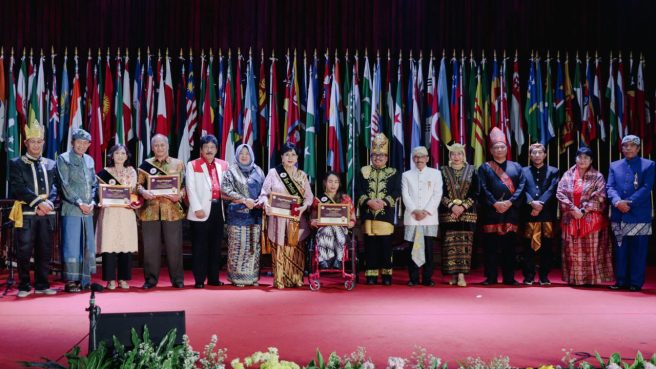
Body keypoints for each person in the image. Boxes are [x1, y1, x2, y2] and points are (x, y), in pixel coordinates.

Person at [9, 122, 58, 298]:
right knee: (24, 250)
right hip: (27, 214)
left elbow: (55, 188)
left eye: (39, 141)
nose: (36, 145)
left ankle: (42, 284)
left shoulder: (51, 163)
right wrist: (38, 203)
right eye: (32, 141)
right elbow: (19, 188)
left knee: (44, 250)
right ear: (26, 144)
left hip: (47, 214)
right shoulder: (16, 163)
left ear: (43, 143)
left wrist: (49, 204)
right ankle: (23, 285)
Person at [556, 147, 613, 286]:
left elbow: (600, 196)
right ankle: (574, 279)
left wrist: (583, 210)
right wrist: (572, 208)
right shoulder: (567, 175)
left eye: (586, 158)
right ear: (575, 158)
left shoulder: (598, 176)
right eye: (580, 157)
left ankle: (591, 280)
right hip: (571, 217)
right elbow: (560, 193)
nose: (582, 160)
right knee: (571, 250)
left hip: (591, 219)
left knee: (591, 250)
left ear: (591, 160)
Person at [259, 143, 314, 289]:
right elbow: (263, 194)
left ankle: (296, 277)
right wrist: (266, 204)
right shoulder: (273, 173)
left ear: (297, 157)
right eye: (287, 154)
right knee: (280, 249)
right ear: (282, 157)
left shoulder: (302, 175)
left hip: (296, 218)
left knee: (296, 249)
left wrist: (304, 206)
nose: (290, 157)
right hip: (278, 218)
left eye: (294, 154)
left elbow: (309, 197)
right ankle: (280, 279)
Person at [478, 127, 526, 286]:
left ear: (507, 149)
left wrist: (510, 202)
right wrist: (495, 203)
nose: (499, 149)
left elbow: (521, 187)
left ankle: (509, 277)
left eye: (502, 147)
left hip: (510, 212)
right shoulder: (485, 167)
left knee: (509, 247)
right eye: (496, 147)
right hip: (491, 212)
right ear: (491, 150)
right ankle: (491, 277)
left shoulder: (517, 167)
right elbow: (483, 188)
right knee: (490, 247)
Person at [137, 134, 186, 289]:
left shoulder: (178, 164)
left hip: (172, 210)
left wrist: (181, 194)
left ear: (167, 146)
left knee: (175, 247)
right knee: (150, 248)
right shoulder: (145, 164)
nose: (159, 148)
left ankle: (177, 280)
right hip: (150, 211)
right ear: (152, 148)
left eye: (162, 145)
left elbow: (186, 185)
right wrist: (143, 192)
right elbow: (138, 185)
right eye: (156, 145)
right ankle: (151, 280)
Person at [607, 135, 655, 292]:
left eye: (631, 145)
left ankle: (635, 282)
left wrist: (629, 203)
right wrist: (617, 202)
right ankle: (620, 280)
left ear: (638, 148)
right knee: (620, 249)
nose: (628, 148)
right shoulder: (614, 165)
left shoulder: (649, 165)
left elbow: (646, 187)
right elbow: (610, 187)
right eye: (625, 146)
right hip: (618, 213)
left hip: (639, 215)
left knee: (638, 250)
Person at [356, 133, 402, 286]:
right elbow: (359, 191)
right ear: (371, 156)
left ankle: (387, 274)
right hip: (368, 213)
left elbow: (396, 191)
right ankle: (371, 274)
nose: (378, 158)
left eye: (381, 155)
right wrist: (368, 201)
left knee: (386, 245)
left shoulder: (394, 173)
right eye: (375, 155)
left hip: (385, 213)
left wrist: (383, 202)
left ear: (387, 158)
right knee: (370, 245)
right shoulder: (363, 171)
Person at [57, 128, 98, 293]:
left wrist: (93, 201)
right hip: (72, 208)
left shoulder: (89, 160)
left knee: (87, 244)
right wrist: (80, 202)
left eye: (85, 143)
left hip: (88, 210)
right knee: (72, 244)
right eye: (78, 142)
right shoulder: (64, 159)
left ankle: (85, 278)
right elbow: (64, 185)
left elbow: (94, 183)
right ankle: (71, 280)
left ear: (89, 144)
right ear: (72, 142)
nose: (81, 146)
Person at [185, 135, 229, 289]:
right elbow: (190, 188)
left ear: (216, 149)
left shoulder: (224, 165)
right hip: (200, 210)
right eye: (206, 147)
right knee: (200, 246)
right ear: (201, 150)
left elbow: (227, 187)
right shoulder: (193, 164)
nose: (209, 150)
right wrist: (197, 208)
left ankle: (213, 278)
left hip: (218, 209)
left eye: (212, 147)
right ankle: (199, 279)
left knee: (216, 246)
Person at [95, 144, 140, 290]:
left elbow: (132, 190)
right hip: (110, 212)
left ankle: (123, 279)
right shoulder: (104, 173)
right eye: (117, 153)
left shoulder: (131, 171)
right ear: (111, 156)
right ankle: (110, 280)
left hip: (126, 212)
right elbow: (100, 193)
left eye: (123, 153)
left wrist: (133, 201)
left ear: (127, 156)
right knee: (109, 245)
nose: (120, 156)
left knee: (125, 245)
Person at [221, 144, 265, 287]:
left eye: (247, 153)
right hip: (238, 213)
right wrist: (244, 200)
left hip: (255, 214)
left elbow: (265, 190)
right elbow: (225, 189)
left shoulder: (258, 170)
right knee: (239, 246)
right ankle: (237, 277)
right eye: (241, 153)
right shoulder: (231, 171)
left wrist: (260, 201)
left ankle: (251, 277)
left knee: (253, 246)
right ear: (237, 155)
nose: (244, 156)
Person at [438, 143, 479, 287]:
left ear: (464, 155)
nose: (456, 157)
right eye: (453, 154)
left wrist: (463, 207)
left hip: (467, 213)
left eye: (459, 154)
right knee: (450, 243)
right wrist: (452, 206)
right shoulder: (443, 171)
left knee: (464, 244)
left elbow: (476, 192)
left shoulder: (472, 170)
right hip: (448, 213)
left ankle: (462, 275)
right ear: (450, 156)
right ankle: (454, 275)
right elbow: (439, 192)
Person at [401, 146, 443, 287]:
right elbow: (405, 195)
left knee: (428, 249)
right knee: (412, 248)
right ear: (413, 159)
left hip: (429, 218)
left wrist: (425, 211)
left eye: (422, 156)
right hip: (412, 217)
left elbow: (437, 194)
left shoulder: (436, 173)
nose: (419, 159)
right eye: (416, 157)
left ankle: (427, 278)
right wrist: (415, 210)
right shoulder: (406, 175)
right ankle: (413, 278)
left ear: (427, 159)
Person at [521, 143, 559, 286]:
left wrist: (540, 204)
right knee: (528, 246)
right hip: (529, 213)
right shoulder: (523, 171)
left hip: (546, 214)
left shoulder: (553, 171)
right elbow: (521, 189)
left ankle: (544, 276)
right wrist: (532, 203)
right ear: (530, 155)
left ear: (545, 155)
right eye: (534, 153)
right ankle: (529, 275)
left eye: (540, 152)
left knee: (547, 246)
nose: (537, 155)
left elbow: (552, 189)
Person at [310, 171, 356, 270]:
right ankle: (332, 259)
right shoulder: (318, 200)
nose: (333, 184)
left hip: (341, 230)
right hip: (323, 229)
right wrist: (313, 222)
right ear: (325, 183)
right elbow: (312, 219)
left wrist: (351, 223)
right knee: (327, 229)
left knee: (335, 227)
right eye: (330, 181)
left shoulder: (345, 199)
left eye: (336, 182)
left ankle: (330, 259)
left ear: (339, 184)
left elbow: (353, 219)